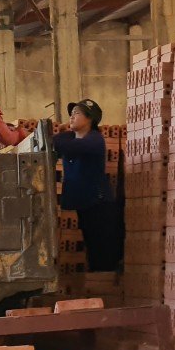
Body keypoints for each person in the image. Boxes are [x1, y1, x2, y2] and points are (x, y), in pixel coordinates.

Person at [53, 98, 121, 272]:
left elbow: (65, 146)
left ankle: (104, 284)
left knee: (101, 252)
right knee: (91, 249)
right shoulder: (71, 138)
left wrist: (58, 137)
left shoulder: (94, 140)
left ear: (90, 118)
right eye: (71, 113)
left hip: (98, 204)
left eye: (77, 113)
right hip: (84, 204)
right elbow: (56, 142)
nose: (71, 117)